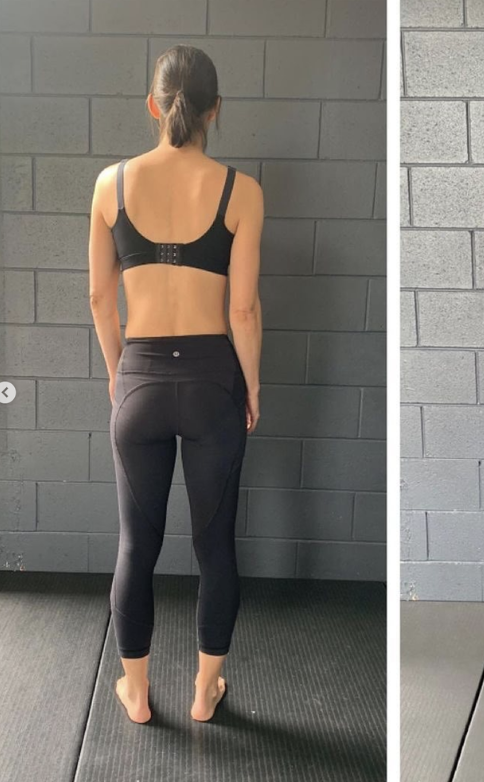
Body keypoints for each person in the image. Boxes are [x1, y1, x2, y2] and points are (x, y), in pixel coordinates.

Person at [88, 44, 264, 724]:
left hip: (140, 379)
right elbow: (243, 310)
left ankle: (135, 692)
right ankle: (203, 689)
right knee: (215, 544)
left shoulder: (111, 186)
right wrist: (252, 385)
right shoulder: (239, 191)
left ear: (154, 106)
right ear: (216, 111)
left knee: (138, 543)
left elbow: (101, 300)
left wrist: (119, 375)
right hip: (215, 377)